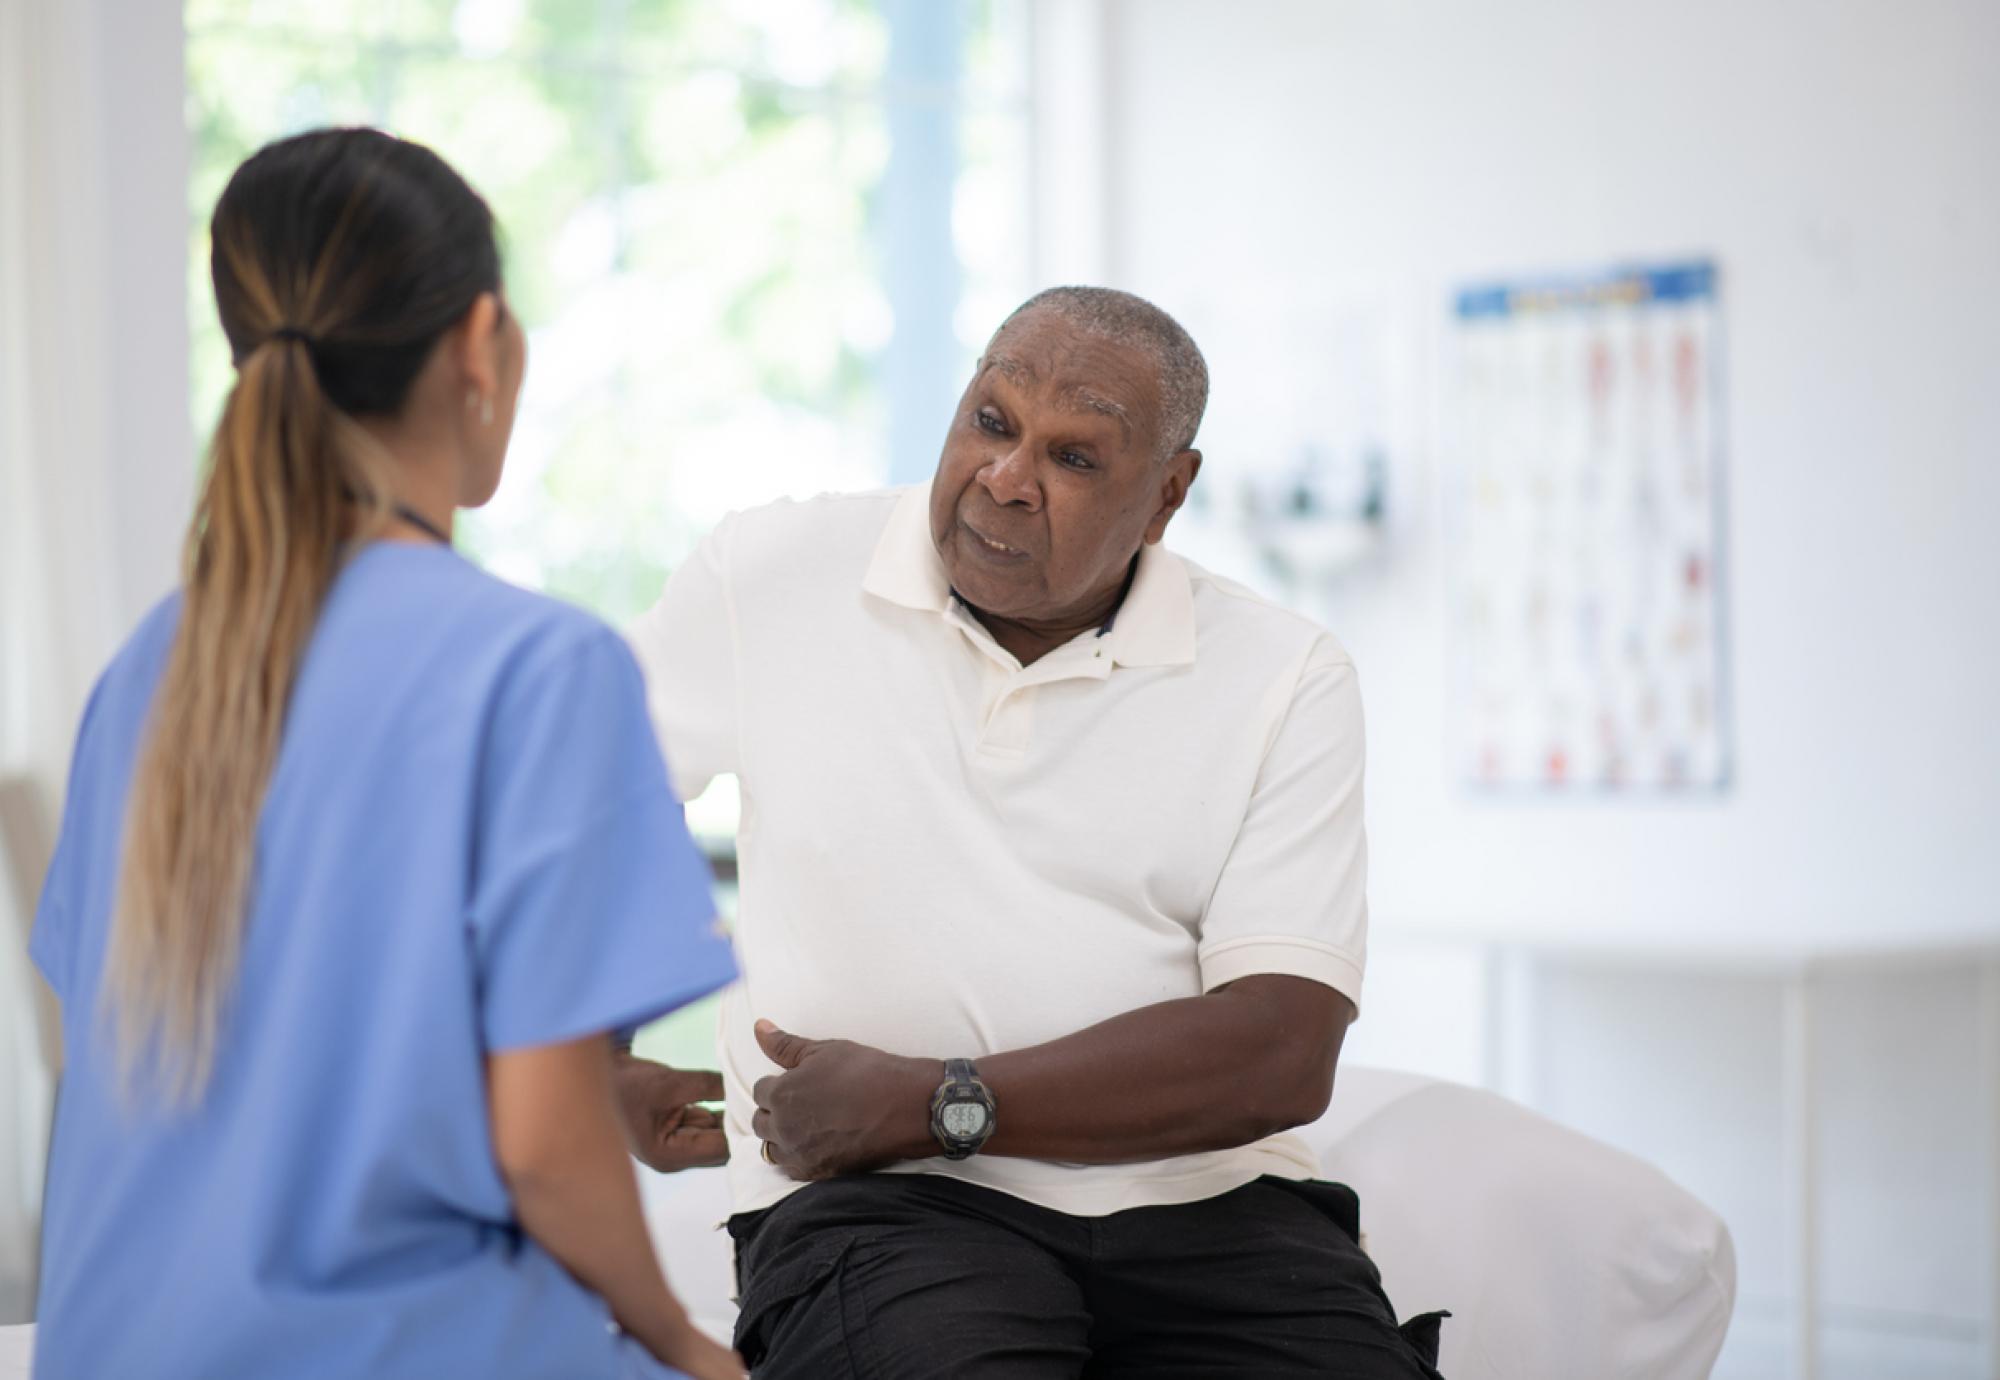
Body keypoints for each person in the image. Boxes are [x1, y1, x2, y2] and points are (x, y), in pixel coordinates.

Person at [622, 287, 1446, 1377]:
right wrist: (594, 1067)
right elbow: (577, 813)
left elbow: (1281, 1052)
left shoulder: (1283, 674)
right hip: (877, 1211)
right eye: (992, 422)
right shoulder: (767, 576)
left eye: (1073, 457)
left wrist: (932, 1102)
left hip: (1216, 1214)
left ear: (1166, 494)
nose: (1006, 479)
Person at [29, 128, 743, 1380]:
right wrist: (683, 1339)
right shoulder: (540, 668)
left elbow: (182, 1077)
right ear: (481, 347)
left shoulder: (151, 665)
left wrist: (576, 1094)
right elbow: (540, 1152)